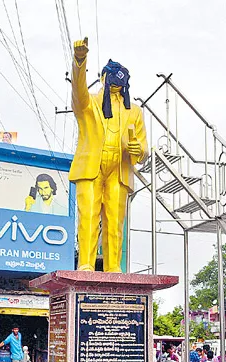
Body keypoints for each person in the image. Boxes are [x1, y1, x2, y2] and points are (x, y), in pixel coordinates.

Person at [70, 37, 148, 273]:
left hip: (119, 170)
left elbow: (143, 148)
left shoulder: (134, 111)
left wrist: (140, 151)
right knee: (88, 218)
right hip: (92, 166)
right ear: (103, 78)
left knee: (115, 222)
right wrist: (79, 60)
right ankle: (86, 263)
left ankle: (114, 267)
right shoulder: (89, 104)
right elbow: (78, 91)